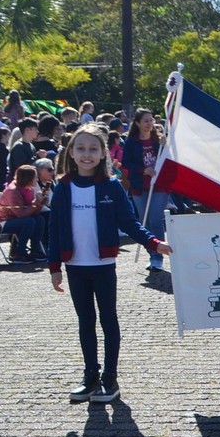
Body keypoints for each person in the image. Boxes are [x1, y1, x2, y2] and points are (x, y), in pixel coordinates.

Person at [50, 126, 172, 404]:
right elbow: (54, 228)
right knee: (85, 321)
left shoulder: (112, 186)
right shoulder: (63, 187)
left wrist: (154, 243)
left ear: (104, 153)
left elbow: (129, 222)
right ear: (71, 153)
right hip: (75, 266)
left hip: (103, 265)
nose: (87, 154)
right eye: (81, 148)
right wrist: (54, 266)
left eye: (93, 149)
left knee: (108, 320)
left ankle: (110, 378)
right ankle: (90, 375)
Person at [121, 109, 168, 272]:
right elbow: (126, 162)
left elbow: (170, 159)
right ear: (138, 123)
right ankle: (152, 254)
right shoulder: (131, 142)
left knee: (155, 218)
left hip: (160, 185)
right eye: (146, 121)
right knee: (145, 220)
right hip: (140, 186)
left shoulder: (159, 140)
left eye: (151, 120)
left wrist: (166, 147)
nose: (149, 123)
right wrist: (143, 170)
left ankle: (159, 257)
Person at [0, 164, 47, 263]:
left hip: (15, 218)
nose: (37, 179)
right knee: (29, 222)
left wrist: (41, 202)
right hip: (1, 221)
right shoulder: (12, 191)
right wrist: (36, 203)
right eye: (35, 177)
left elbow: (33, 212)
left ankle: (35, 250)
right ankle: (19, 253)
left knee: (39, 219)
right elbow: (21, 213)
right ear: (28, 178)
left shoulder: (28, 189)